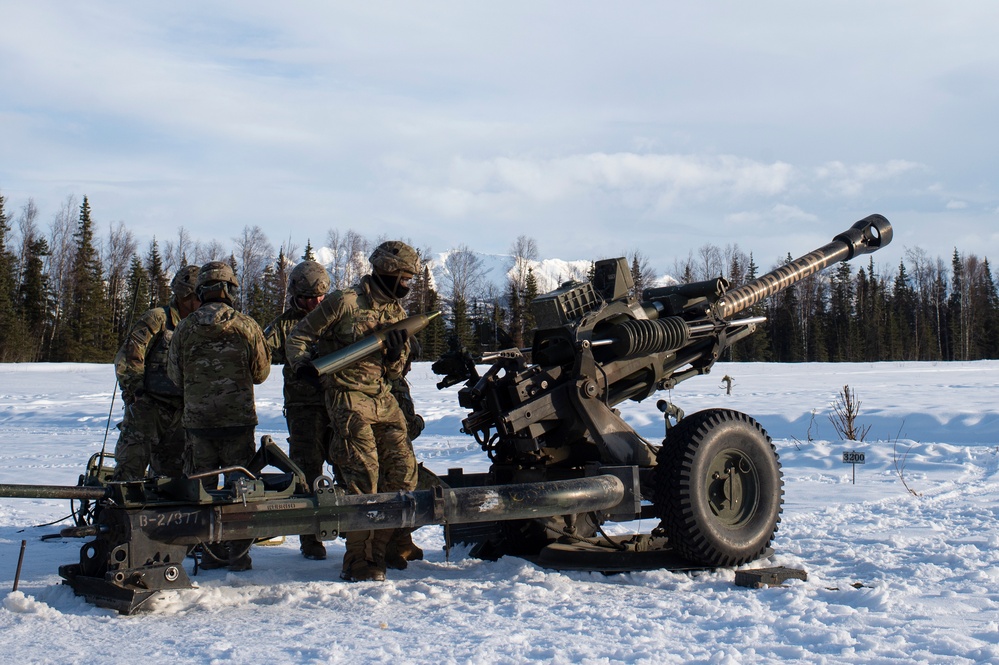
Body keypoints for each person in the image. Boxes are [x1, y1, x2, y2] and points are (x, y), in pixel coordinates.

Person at [286, 240, 419, 582]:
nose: (406, 286)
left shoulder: (396, 313)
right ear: (388, 272)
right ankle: (360, 560)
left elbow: (394, 371)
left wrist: (394, 358)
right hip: (347, 396)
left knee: (404, 472)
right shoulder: (344, 302)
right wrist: (302, 365)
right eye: (404, 278)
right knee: (363, 477)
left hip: (382, 397)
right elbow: (299, 336)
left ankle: (384, 545)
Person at [167, 260, 270, 572]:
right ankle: (238, 554)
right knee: (240, 488)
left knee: (203, 490)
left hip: (199, 425)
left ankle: (209, 553)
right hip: (237, 423)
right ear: (230, 290)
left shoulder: (184, 328)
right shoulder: (246, 326)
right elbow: (261, 373)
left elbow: (174, 376)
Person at [263, 259, 332, 561]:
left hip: (342, 403)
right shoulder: (284, 325)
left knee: (353, 468)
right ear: (295, 295)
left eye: (320, 297)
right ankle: (311, 538)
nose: (314, 303)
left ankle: (360, 537)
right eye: (308, 298)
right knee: (306, 472)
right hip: (304, 410)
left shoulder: (337, 317)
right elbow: (260, 352)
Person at [112, 265, 201, 481]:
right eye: (199, 297)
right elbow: (129, 357)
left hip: (181, 412)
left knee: (173, 477)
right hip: (148, 408)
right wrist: (136, 394)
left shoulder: (199, 326)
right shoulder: (158, 318)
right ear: (186, 295)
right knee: (129, 470)